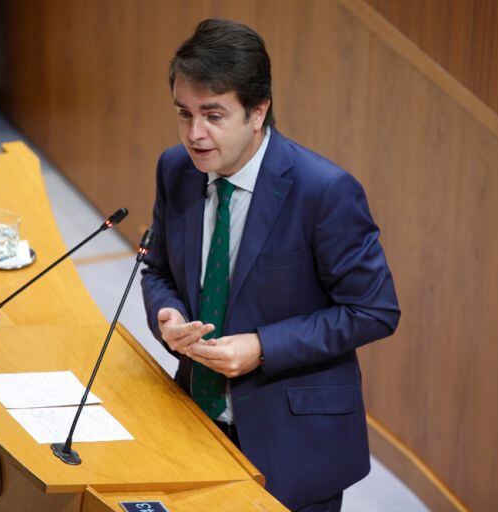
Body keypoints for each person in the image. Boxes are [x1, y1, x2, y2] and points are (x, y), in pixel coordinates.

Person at [140, 18, 400, 511]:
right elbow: (157, 270)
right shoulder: (175, 170)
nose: (194, 134)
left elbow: (375, 311)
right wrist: (167, 316)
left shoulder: (323, 192)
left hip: (293, 445)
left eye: (213, 116)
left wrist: (262, 346)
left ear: (257, 113)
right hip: (194, 420)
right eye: (184, 114)